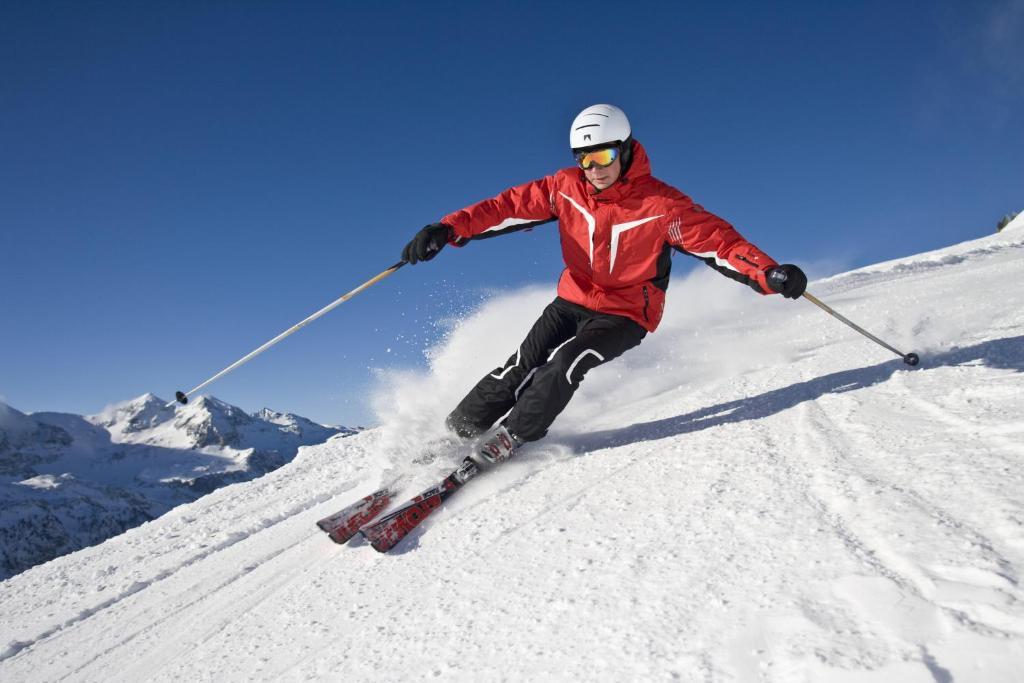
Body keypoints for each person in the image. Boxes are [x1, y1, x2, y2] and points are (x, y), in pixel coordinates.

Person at [401, 104, 807, 466]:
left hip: (626, 313)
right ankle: (458, 431)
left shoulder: (663, 206)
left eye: (604, 154)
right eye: (584, 158)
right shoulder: (565, 188)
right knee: (520, 364)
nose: (594, 168)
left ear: (626, 149)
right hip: (573, 299)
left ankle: (514, 435)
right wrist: (448, 228)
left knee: (566, 363)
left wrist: (767, 272)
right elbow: (505, 207)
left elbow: (721, 243)